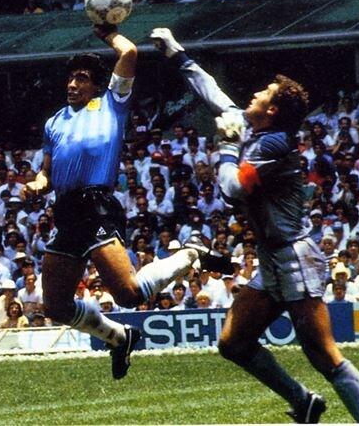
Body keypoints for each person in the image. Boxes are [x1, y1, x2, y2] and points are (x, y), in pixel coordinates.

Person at [151, 27, 359, 422]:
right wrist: (176, 52)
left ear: (272, 111)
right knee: (233, 342)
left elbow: (233, 188)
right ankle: (304, 402)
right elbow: (213, 94)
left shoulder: (275, 144)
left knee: (324, 355)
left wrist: (225, 148)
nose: (254, 94)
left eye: (263, 93)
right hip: (273, 258)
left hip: (295, 258)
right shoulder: (255, 130)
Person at [21, 24, 227, 379]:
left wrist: (107, 33)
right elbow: (46, 173)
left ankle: (189, 254)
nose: (72, 84)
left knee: (129, 294)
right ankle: (119, 337)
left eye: (82, 78)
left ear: (97, 85)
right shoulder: (55, 122)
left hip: (96, 205)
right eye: (70, 78)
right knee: (55, 306)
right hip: (66, 210)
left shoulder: (111, 104)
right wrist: (37, 185)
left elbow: (129, 51)